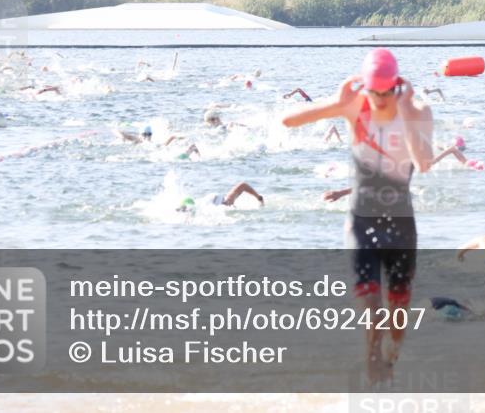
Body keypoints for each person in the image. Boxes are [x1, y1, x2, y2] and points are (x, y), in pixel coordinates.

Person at [282, 48, 434, 385]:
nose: (380, 100)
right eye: (374, 93)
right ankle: (371, 364)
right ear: (365, 88)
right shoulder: (356, 107)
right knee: (370, 305)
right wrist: (336, 105)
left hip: (401, 228)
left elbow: (423, 163)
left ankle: (392, 355)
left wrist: (406, 113)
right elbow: (288, 120)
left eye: (386, 93)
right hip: (361, 222)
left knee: (397, 312)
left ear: (397, 86)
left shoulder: (418, 111)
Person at [177, 182, 265, 213]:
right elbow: (243, 185)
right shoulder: (226, 202)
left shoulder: (226, 201)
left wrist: (258, 197)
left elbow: (243, 185)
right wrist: (258, 198)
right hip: (212, 201)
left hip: (208, 201)